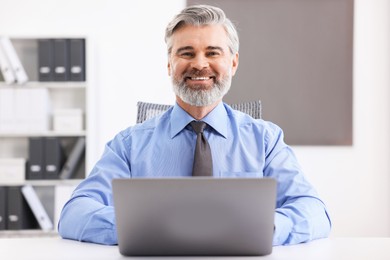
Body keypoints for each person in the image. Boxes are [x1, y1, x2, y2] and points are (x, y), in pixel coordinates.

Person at [58, 4, 331, 246]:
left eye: (213, 52)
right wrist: (143, 229)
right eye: (186, 53)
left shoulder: (265, 140)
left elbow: (314, 211)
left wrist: (263, 229)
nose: (200, 64)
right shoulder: (129, 145)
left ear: (233, 63)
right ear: (169, 64)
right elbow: (74, 213)